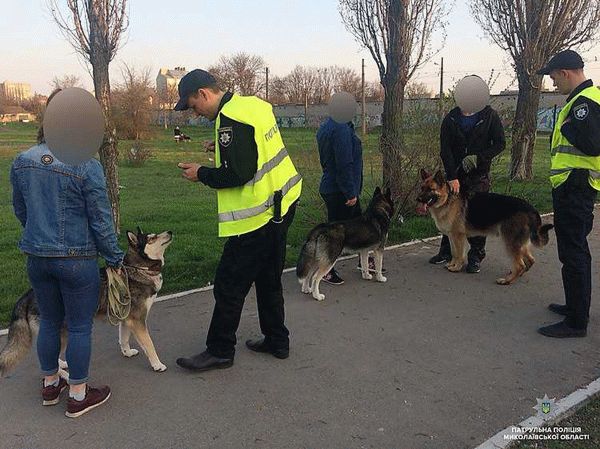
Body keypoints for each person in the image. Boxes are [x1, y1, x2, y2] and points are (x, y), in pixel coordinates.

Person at [174, 69, 302, 371]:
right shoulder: (253, 105)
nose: (195, 113)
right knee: (269, 278)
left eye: (193, 105)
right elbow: (255, 148)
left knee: (229, 284)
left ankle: (220, 350)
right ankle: (277, 340)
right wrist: (220, 147)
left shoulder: (231, 119)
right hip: (284, 202)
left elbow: (239, 174)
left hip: (258, 218)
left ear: (204, 94)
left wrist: (201, 173)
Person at [10, 90, 123, 417]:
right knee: (78, 327)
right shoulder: (86, 165)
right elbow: (101, 220)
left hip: (38, 259)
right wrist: (113, 257)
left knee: (48, 322)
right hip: (77, 259)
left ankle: (49, 386)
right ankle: (78, 395)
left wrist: (39, 235)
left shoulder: (23, 161)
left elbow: (21, 209)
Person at [536, 50, 600, 338]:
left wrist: (567, 125)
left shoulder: (583, 104)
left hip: (576, 186)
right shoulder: (582, 100)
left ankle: (576, 322)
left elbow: (591, 143)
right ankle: (574, 306)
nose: (552, 84)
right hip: (573, 185)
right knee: (571, 250)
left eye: (553, 78)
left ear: (565, 72)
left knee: (574, 252)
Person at [429, 75, 506, 273]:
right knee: (447, 214)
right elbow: (445, 149)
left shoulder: (489, 116)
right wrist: (452, 175)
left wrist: (479, 158)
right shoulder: (451, 118)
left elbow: (500, 144)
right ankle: (447, 252)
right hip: (455, 174)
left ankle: (475, 256)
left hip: (478, 174)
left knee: (478, 215)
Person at [316, 98, 363, 285]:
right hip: (341, 190)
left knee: (356, 226)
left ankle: (364, 261)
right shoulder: (341, 129)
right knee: (338, 233)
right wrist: (350, 192)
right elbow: (344, 163)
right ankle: (325, 270)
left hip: (332, 186)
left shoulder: (326, 126)